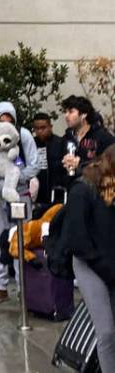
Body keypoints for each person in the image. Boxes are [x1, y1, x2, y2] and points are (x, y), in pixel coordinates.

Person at [54, 145, 115, 373]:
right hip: (90, 263)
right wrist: (107, 269)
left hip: (109, 261)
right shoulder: (83, 189)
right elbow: (78, 241)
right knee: (107, 331)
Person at [0, 101, 41, 304]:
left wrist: (16, 178)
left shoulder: (24, 135)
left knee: (22, 238)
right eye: (1, 117)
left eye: (8, 117)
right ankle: (0, 285)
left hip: (19, 193)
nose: (5, 120)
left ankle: (23, 286)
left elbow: (34, 164)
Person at [60, 95, 115, 180]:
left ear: (84, 114)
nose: (66, 115)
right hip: (72, 188)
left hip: (95, 187)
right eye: (65, 112)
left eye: (71, 112)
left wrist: (81, 164)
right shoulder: (66, 138)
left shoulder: (102, 136)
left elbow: (110, 162)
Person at [32, 112, 68, 205]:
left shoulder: (61, 143)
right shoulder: (31, 144)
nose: (40, 131)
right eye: (37, 128)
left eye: (43, 128)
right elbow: (20, 162)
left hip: (57, 194)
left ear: (50, 127)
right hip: (36, 196)